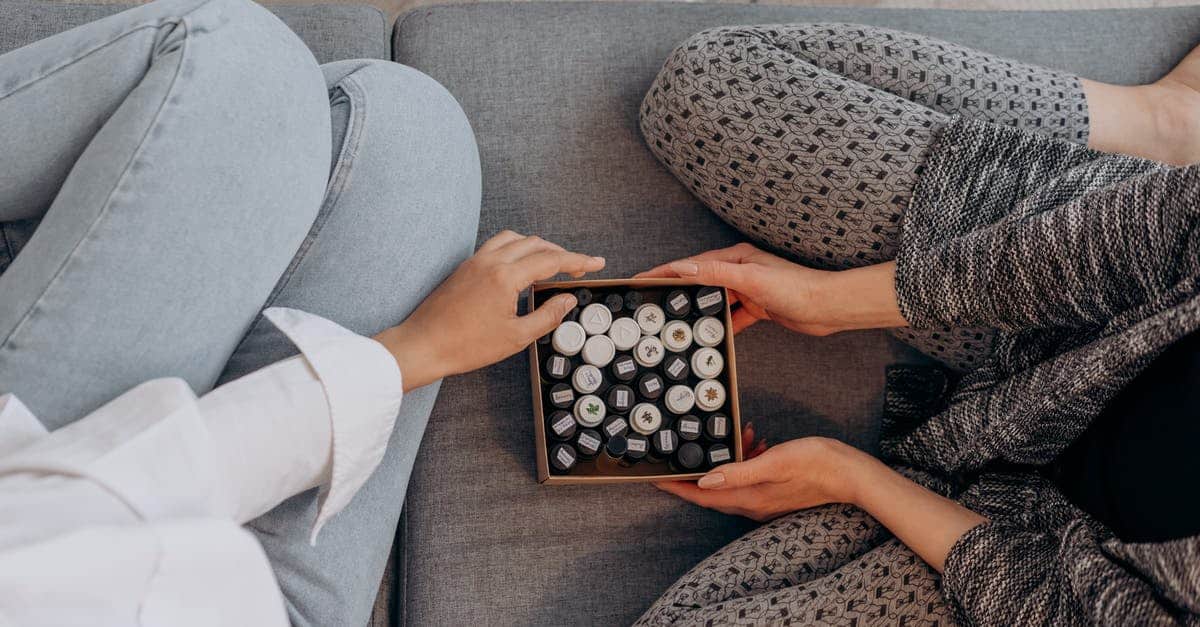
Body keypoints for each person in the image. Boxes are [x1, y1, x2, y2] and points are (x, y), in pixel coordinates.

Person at [0, 0, 602, 624]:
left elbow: (92, 521)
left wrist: (412, 354)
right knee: (408, 125)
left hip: (51, 517)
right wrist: (413, 354)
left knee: (246, 64)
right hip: (259, 603)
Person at [635, 23, 1200, 625]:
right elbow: (1159, 234)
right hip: (1106, 301)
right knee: (711, 90)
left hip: (1043, 572)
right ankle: (1165, 122)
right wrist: (831, 300)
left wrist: (853, 479)